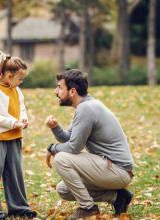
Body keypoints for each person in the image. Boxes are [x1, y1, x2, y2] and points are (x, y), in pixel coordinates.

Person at [45, 69, 134, 219]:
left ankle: (88, 208)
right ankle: (117, 198)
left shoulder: (86, 108)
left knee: (61, 159)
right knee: (64, 189)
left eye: (60, 87)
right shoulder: (85, 105)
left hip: (118, 170)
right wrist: (55, 128)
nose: (56, 91)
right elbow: (69, 138)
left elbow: (74, 147)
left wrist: (52, 149)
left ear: (72, 91)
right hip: (111, 168)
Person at [0, 51, 37, 220]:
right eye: (19, 78)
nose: (21, 82)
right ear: (9, 75)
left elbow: (21, 108)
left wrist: (23, 118)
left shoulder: (17, 90)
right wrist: (11, 123)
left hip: (15, 138)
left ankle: (19, 207)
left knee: (15, 175)